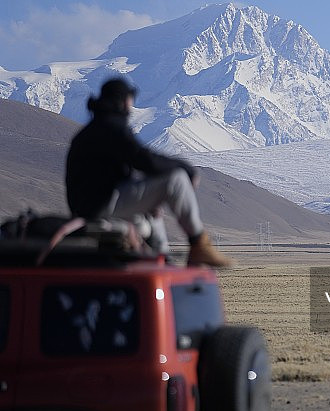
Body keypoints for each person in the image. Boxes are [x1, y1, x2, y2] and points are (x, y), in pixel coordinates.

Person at [65, 77, 233, 268]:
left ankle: (163, 262)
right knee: (176, 179)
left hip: (91, 206)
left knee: (152, 214)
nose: (131, 105)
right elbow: (145, 161)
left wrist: (148, 200)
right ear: (122, 100)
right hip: (99, 206)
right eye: (129, 99)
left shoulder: (93, 130)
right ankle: (198, 243)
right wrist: (184, 167)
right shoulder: (111, 127)